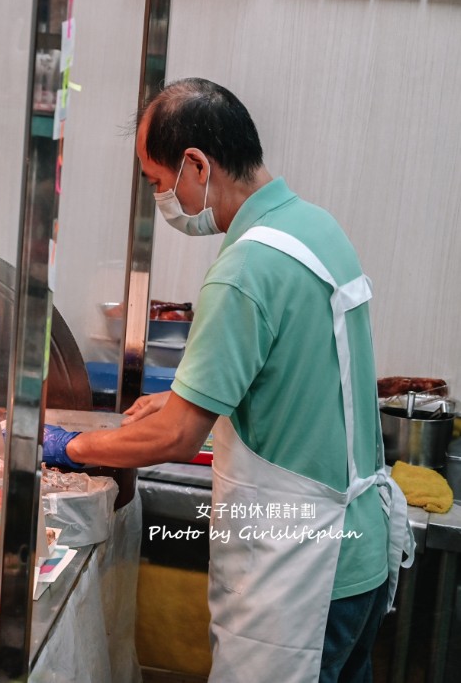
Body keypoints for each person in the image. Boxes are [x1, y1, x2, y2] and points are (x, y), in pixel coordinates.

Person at [42, 78, 413, 683]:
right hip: (362, 554)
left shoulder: (243, 269)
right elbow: (299, 375)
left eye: (159, 184)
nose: (163, 200)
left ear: (196, 164)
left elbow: (177, 439)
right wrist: (193, 394)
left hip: (305, 573)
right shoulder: (315, 228)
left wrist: (68, 447)